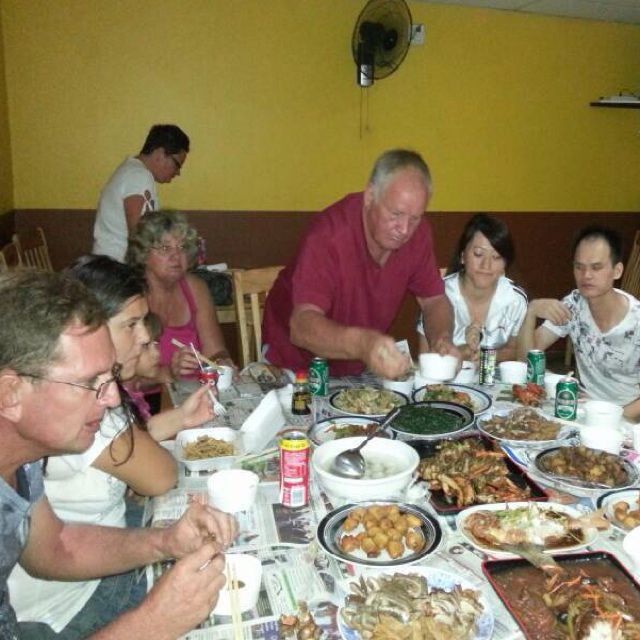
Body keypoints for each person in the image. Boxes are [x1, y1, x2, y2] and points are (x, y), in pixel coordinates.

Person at [0, 270, 236, 639]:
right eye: (88, 382)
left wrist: (165, 541)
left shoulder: (23, 456)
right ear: (10, 394)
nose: (112, 399)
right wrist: (151, 624)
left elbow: (53, 547)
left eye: (109, 378)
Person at [262, 149, 458, 379]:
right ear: (370, 196)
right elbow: (301, 326)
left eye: (414, 218)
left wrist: (442, 339)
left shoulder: (419, 234)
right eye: (395, 214)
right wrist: (364, 344)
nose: (404, 230)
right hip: (292, 366)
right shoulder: (329, 235)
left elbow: (434, 300)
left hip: (354, 369)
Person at [517, 225, 640, 420]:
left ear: (617, 270)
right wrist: (530, 312)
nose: (586, 275)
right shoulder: (574, 304)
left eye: (596, 267)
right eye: (579, 267)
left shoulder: (636, 321)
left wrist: (613, 418)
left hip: (628, 419)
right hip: (583, 410)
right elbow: (526, 359)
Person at [126, 210, 235, 380]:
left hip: (195, 390)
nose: (176, 256)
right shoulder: (130, 295)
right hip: (150, 395)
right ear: (143, 255)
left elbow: (215, 351)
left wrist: (221, 362)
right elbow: (126, 378)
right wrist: (169, 372)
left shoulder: (196, 288)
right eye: (165, 248)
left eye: (182, 247)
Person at [417, 214, 527, 362]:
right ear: (462, 256)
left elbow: (515, 350)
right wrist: (463, 352)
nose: (486, 265)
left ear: (505, 264)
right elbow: (426, 358)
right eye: (478, 254)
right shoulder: (437, 296)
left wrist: (484, 356)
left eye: (496, 257)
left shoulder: (515, 299)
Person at [93, 124, 190, 262]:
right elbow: (139, 235)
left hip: (108, 265)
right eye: (177, 164)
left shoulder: (131, 170)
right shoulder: (139, 176)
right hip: (117, 268)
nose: (178, 172)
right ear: (160, 154)